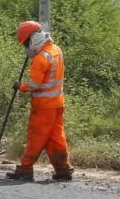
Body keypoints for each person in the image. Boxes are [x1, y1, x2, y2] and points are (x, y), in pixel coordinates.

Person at [8, 20, 73, 181]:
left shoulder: (40, 58)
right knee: (56, 138)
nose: (26, 47)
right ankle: (63, 170)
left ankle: (25, 169)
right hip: (57, 104)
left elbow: (33, 85)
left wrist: (20, 86)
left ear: (33, 39)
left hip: (44, 107)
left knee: (36, 137)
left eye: (26, 43)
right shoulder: (56, 50)